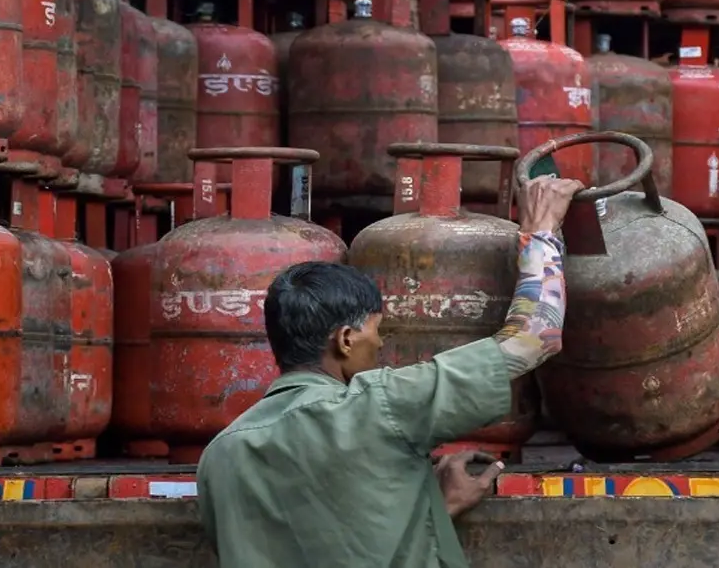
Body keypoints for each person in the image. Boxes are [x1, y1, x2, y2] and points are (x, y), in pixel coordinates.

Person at [196, 174, 584, 567]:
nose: (380, 344)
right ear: (345, 339)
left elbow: (318, 541)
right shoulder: (379, 407)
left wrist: (427, 507)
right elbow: (535, 338)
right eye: (376, 331)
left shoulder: (221, 455)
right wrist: (541, 233)